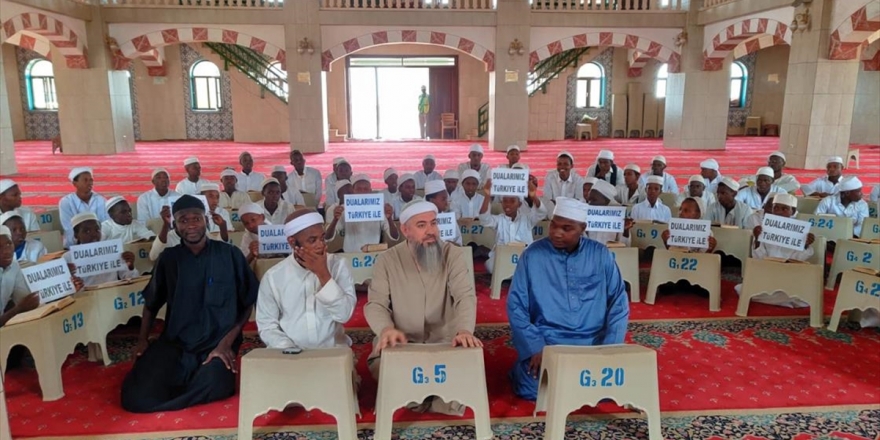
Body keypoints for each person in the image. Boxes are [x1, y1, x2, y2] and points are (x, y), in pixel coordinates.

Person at [121, 195, 258, 413]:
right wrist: (142, 341)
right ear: (175, 226)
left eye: (197, 219)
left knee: (216, 384)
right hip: (176, 343)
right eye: (184, 220)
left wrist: (226, 344)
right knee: (136, 396)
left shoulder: (229, 254)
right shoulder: (169, 258)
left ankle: (182, 389)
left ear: (207, 221)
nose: (191, 225)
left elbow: (246, 303)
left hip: (216, 343)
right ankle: (183, 387)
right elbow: (151, 302)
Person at [506, 197, 629, 400]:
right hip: (549, 342)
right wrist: (536, 347)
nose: (556, 233)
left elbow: (618, 303)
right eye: (553, 225)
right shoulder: (532, 255)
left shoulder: (601, 254)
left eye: (566, 228)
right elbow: (516, 305)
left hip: (594, 343)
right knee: (532, 385)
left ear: (583, 228)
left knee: (615, 384)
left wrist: (610, 349)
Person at [364, 201, 480, 415]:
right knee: (384, 369)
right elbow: (376, 304)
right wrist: (385, 330)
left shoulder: (452, 255)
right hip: (403, 343)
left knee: (468, 369)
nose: (430, 231)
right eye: (421, 225)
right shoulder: (387, 260)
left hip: (445, 342)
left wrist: (464, 330)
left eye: (433, 224)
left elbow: (465, 296)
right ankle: (429, 398)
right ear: (405, 230)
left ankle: (424, 398)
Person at [257, 209, 357, 349]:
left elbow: (344, 315)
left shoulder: (338, 265)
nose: (320, 245)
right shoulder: (273, 277)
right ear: (292, 242)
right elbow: (267, 325)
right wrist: (290, 350)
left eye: (322, 238)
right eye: (312, 240)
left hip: (333, 352)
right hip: (289, 355)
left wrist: (323, 274)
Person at [738, 193, 815, 308]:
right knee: (743, 289)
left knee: (802, 296)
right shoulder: (764, 229)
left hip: (789, 275)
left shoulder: (801, 232)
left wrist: (805, 245)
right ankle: (784, 300)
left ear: (792, 212)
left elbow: (800, 259)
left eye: (784, 209)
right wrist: (757, 239)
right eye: (776, 208)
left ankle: (778, 298)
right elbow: (758, 257)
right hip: (767, 273)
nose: (779, 212)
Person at [479, 177, 545, 273]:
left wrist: (533, 195)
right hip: (503, 257)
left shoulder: (527, 219)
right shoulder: (499, 220)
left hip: (523, 257)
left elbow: (541, 213)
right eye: (505, 201)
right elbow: (484, 219)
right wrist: (487, 195)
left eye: (512, 201)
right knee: (490, 265)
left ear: (519, 204)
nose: (508, 205)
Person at [64, 212, 139, 287]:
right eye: (87, 231)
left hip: (114, 294)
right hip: (85, 297)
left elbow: (132, 279)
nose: (94, 234)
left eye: (97, 230)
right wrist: (72, 283)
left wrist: (130, 266)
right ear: (76, 235)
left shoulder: (112, 251)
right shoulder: (67, 258)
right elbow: (65, 288)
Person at [325, 179, 399, 253]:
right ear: (353, 191)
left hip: (372, 254)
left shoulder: (379, 209)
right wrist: (335, 219)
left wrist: (389, 219)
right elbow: (328, 237)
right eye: (359, 189)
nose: (362, 192)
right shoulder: (345, 209)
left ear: (370, 191)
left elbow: (394, 237)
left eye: (365, 189)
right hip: (350, 255)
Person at [0, 225, 41, 327]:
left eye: (9, 244)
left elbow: (23, 298)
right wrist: (18, 309)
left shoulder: (13, 265)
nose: (6, 251)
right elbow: (22, 306)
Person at [59, 167, 108, 248]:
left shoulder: (101, 200)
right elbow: (69, 228)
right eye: (85, 180)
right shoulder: (66, 202)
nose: (89, 183)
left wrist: (96, 238)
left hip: (99, 242)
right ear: (75, 183)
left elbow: (106, 224)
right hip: (75, 245)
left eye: (91, 180)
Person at [586, 182, 632, 246]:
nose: (590, 203)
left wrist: (625, 230)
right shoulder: (587, 215)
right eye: (589, 200)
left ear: (607, 201)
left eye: (594, 200)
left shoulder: (618, 217)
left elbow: (625, 245)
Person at [425, 180, 462, 245]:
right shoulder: (421, 220)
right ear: (432, 200)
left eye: (446, 199)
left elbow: (459, 243)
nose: (446, 203)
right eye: (443, 199)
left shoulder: (449, 219)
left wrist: (449, 245)